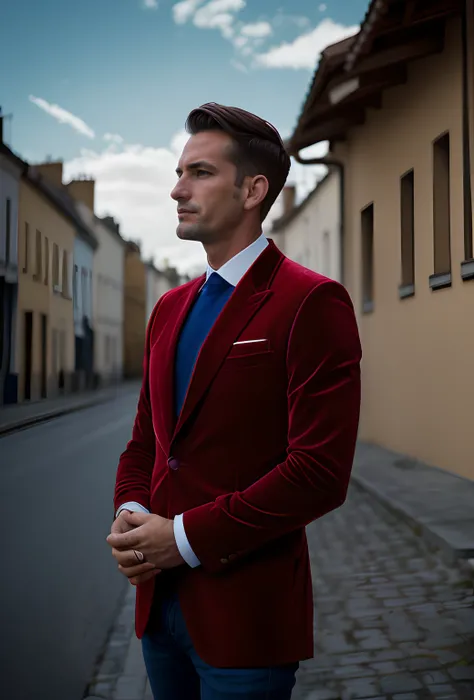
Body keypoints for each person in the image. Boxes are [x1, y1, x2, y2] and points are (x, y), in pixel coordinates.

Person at [106, 102, 362, 700]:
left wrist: (185, 539)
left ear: (253, 190)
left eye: (199, 173)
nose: (177, 190)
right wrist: (128, 512)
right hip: (159, 612)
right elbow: (148, 441)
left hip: (247, 616)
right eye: (178, 172)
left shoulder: (310, 301)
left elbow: (319, 474)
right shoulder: (170, 308)